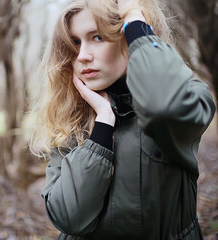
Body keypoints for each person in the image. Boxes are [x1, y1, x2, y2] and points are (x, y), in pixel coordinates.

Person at [30, 0, 216, 239]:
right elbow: (68, 218)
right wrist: (103, 126)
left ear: (129, 37)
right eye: (75, 42)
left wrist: (136, 22)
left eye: (97, 37)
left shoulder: (186, 93)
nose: (83, 56)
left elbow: (163, 107)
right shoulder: (70, 114)